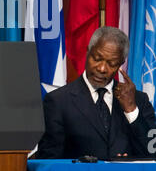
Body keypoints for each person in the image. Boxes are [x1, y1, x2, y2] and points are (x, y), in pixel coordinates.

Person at [37, 26, 156, 160]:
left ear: (120, 64)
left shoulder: (139, 100)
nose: (102, 68)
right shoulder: (58, 101)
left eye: (111, 63)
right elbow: (48, 161)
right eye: (97, 58)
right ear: (88, 52)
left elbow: (153, 152)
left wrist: (131, 110)